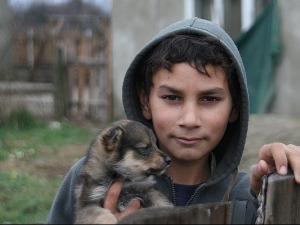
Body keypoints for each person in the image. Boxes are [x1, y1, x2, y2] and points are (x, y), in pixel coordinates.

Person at [47, 17, 300, 224]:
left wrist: (282, 187)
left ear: (235, 108)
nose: (189, 120)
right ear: (145, 102)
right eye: (172, 97)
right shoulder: (91, 175)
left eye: (209, 99)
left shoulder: (251, 195)